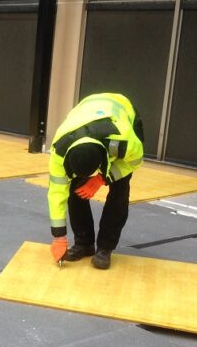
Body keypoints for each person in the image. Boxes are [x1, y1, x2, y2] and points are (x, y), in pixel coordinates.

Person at [47, 93, 145, 269]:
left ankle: (105, 248)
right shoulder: (59, 153)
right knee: (76, 189)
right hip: (88, 112)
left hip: (122, 114)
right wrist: (59, 237)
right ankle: (84, 244)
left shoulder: (122, 142)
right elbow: (56, 194)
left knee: (120, 190)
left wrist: (102, 178)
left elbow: (136, 160)